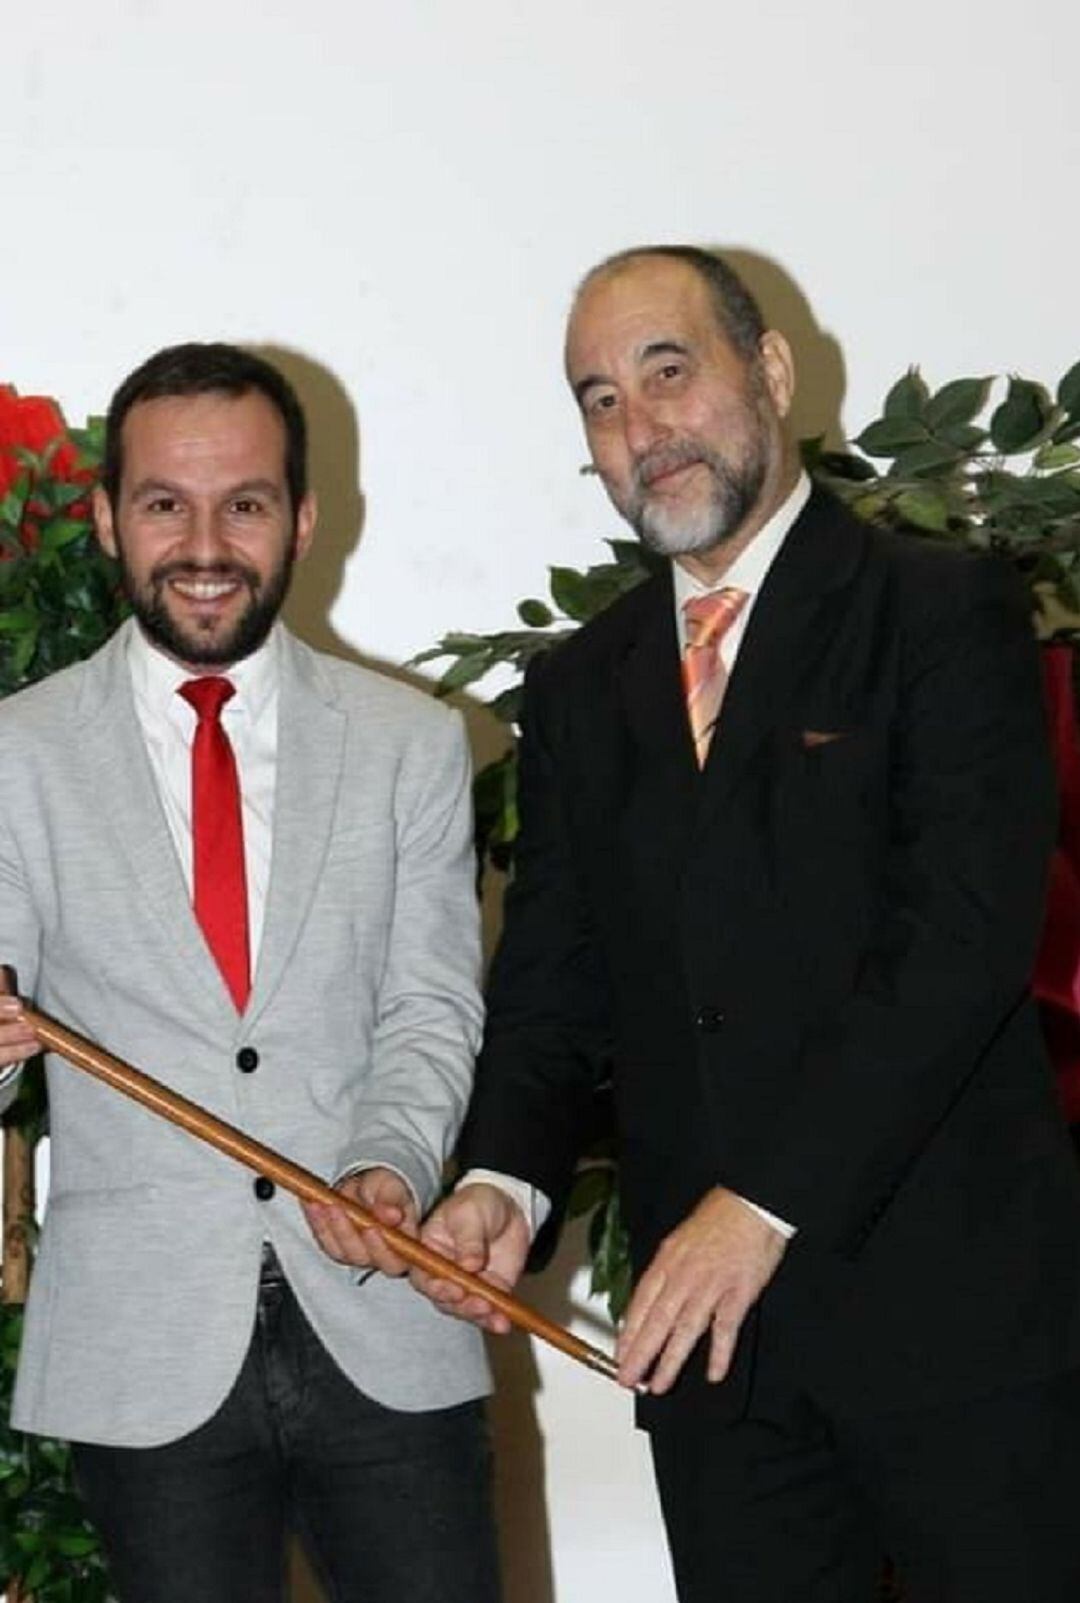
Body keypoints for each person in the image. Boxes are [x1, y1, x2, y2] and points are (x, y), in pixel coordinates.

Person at [408, 248, 1080, 1602]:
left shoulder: (942, 611)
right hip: (718, 1366)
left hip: (959, 1332)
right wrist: (501, 1184)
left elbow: (957, 943)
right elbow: (554, 985)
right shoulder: (582, 683)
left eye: (670, 370)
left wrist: (761, 1204)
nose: (641, 426)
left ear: (767, 371)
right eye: (599, 399)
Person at [0, 343, 501, 1603]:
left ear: (306, 517)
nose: (206, 543)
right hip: (143, 1344)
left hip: (386, 1320)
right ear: (109, 515)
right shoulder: (16, 753)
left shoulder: (409, 743)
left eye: (247, 502)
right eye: (166, 502)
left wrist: (390, 1161)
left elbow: (432, 1001)